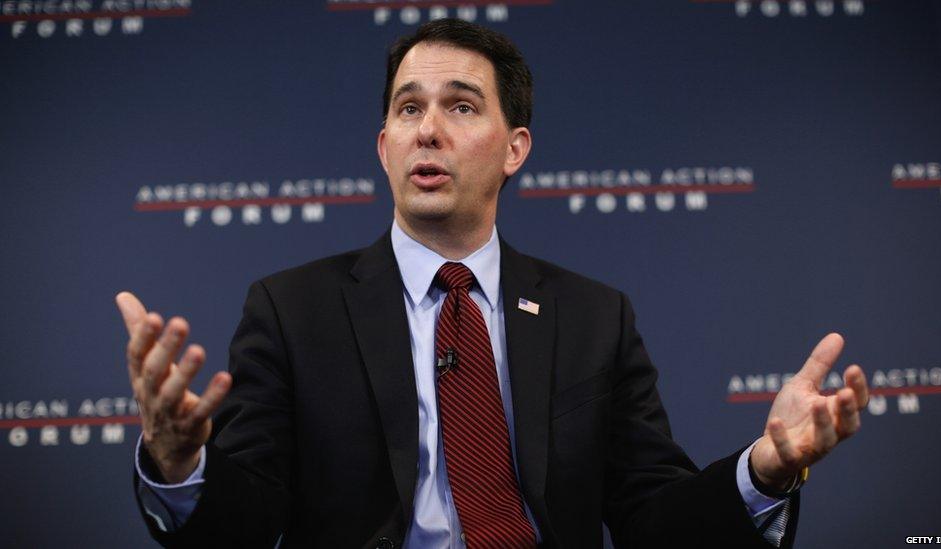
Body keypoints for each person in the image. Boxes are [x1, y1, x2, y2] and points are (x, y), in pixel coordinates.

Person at [116, 19, 869, 549]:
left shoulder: (592, 317)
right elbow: (246, 523)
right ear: (384, 147)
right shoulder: (292, 309)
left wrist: (765, 471)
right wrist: (180, 465)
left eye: (461, 106)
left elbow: (652, 518)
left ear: (515, 149)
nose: (428, 129)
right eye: (408, 107)